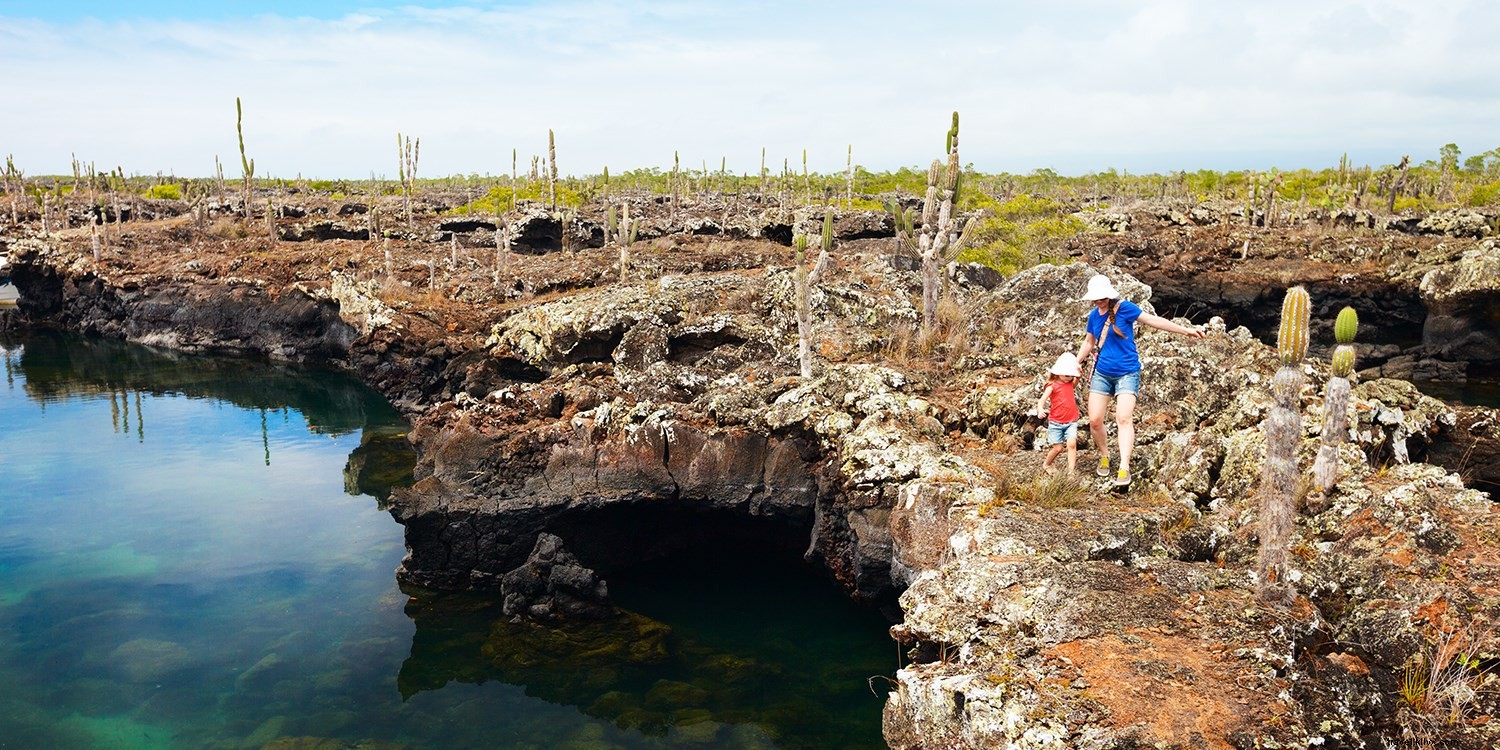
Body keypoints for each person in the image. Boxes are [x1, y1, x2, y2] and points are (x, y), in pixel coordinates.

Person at [1074, 274, 1204, 487]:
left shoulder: (1125, 308)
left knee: (1123, 418)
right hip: (1102, 373)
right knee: (1095, 421)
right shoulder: (1093, 316)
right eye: (1095, 298)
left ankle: (1124, 466)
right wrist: (1077, 361)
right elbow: (1089, 341)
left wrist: (1186, 331)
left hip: (1127, 371)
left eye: (1102, 297)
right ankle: (1105, 455)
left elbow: (1152, 320)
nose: (1099, 301)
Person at [1036, 352, 1082, 476]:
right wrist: (1040, 408)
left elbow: (1073, 386)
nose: (1069, 378)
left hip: (1071, 420)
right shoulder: (1052, 386)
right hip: (1056, 422)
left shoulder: (1069, 383)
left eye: (1071, 376)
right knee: (1058, 448)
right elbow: (1042, 399)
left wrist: (1077, 377)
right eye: (1067, 375)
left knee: (1072, 444)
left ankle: (1071, 472)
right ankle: (1047, 464)